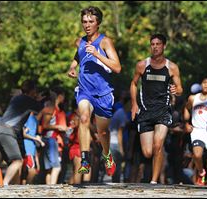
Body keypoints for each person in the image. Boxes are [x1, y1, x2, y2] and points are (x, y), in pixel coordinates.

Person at [67, 6, 122, 176]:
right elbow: (79, 55)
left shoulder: (105, 42)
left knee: (102, 132)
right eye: (84, 21)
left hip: (103, 94)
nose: (87, 25)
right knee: (83, 118)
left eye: (91, 21)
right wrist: (72, 66)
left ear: (98, 23)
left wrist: (97, 54)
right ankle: (85, 159)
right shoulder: (80, 42)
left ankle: (106, 154)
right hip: (84, 90)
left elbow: (117, 68)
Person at [130, 33, 183, 184]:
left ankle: (154, 181)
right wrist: (134, 104)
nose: (155, 47)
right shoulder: (142, 65)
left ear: (164, 46)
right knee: (148, 152)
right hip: (145, 111)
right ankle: (160, 159)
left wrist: (176, 91)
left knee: (158, 144)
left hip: (163, 111)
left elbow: (180, 89)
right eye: (152, 44)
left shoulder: (171, 67)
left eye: (158, 44)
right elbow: (133, 84)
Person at [0, 80, 47, 185]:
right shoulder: (27, 99)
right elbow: (41, 108)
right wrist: (42, 100)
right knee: (17, 161)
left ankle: (14, 187)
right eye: (35, 90)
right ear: (32, 91)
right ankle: (3, 185)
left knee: (13, 162)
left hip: (0, 130)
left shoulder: (17, 98)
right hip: (7, 131)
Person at [21, 112, 45, 184]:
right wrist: (35, 139)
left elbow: (35, 134)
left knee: (25, 173)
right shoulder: (27, 118)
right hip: (27, 149)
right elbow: (24, 134)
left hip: (32, 149)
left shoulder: (35, 119)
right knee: (32, 171)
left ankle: (24, 190)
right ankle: (27, 188)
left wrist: (38, 139)